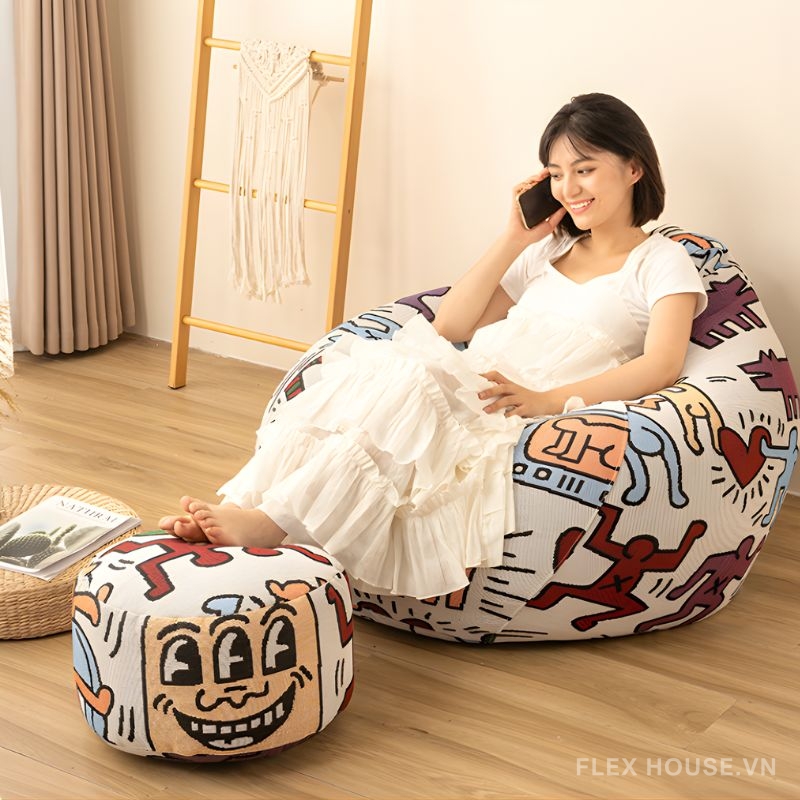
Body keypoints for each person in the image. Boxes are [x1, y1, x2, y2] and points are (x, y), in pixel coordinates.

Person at [158, 93, 707, 599]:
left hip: (519, 403)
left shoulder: (661, 261)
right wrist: (514, 237)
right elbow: (450, 325)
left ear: (634, 168)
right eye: (557, 175)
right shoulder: (548, 252)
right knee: (385, 367)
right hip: (475, 380)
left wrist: (547, 400)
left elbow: (662, 365)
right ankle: (245, 507)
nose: (569, 189)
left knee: (411, 380)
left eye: (585, 170)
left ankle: (268, 524)